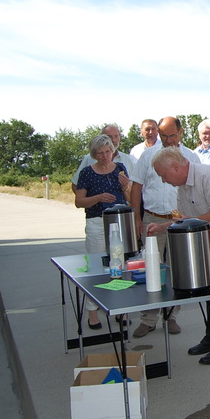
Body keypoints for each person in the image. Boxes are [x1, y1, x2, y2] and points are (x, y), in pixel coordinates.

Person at [147, 148, 210, 366]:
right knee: (206, 291)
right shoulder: (182, 186)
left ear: (176, 167)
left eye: (163, 174)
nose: (163, 179)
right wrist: (163, 227)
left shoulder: (209, 177)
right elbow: (187, 219)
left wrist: (191, 221)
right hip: (203, 239)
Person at [129, 116, 200, 338]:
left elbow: (196, 189)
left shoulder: (191, 157)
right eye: (164, 135)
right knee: (151, 268)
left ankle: (171, 316)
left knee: (177, 269)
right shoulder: (148, 155)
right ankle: (148, 318)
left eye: (172, 135)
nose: (168, 139)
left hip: (180, 220)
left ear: (180, 133)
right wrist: (137, 219)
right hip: (153, 219)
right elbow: (136, 188)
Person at [73, 134, 132, 328]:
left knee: (120, 265)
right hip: (97, 221)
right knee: (96, 267)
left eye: (108, 151)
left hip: (119, 220)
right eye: (101, 153)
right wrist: (97, 197)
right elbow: (78, 201)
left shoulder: (121, 169)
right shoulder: (87, 173)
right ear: (94, 154)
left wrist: (126, 188)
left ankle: (121, 309)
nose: (106, 156)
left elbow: (129, 197)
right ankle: (92, 312)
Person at [71, 124, 134, 190]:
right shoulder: (89, 158)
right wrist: (91, 199)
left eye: (116, 136)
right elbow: (75, 185)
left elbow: (133, 186)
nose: (113, 140)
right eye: (109, 137)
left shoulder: (127, 159)